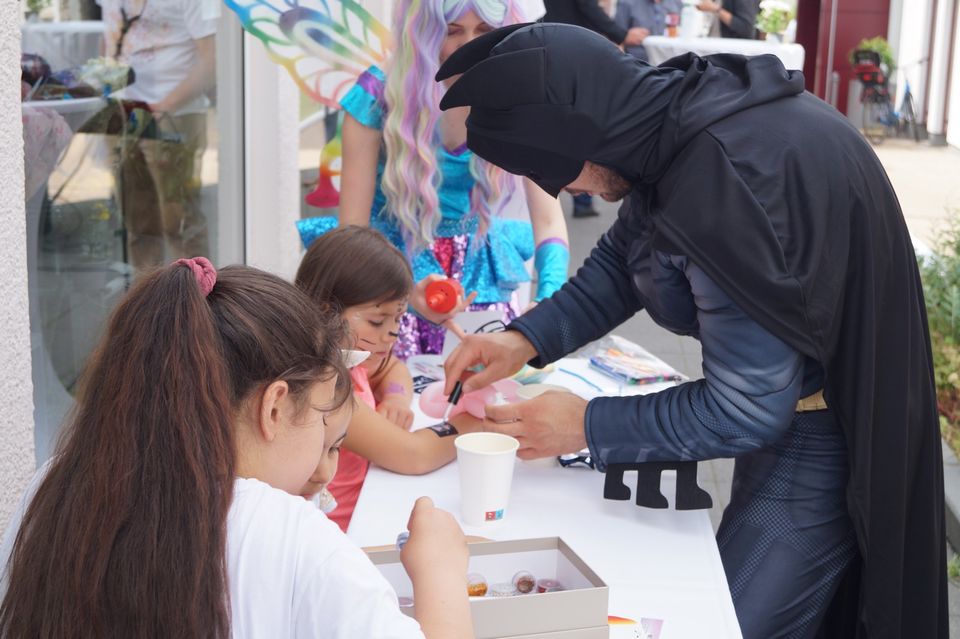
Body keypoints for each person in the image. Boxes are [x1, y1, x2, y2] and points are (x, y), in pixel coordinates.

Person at [436, 23, 947, 638]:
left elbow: (746, 409)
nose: (563, 191)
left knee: (725, 623)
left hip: (826, 436)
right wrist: (526, 338)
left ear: (586, 142)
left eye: (559, 176)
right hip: (799, 409)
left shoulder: (726, 185)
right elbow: (629, 259)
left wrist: (585, 424)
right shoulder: (670, 124)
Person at [0, 258, 472, 638]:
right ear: (274, 407)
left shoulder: (51, 489)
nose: (324, 472)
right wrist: (441, 573)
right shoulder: (295, 541)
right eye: (326, 431)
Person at [298, 0, 570, 359]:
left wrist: (547, 296)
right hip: (387, 279)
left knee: (485, 399)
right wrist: (405, 293)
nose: (468, 44)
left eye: (484, 32)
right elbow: (353, 233)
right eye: (452, 30)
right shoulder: (377, 98)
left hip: (482, 281)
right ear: (422, 32)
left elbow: (549, 219)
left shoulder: (520, 97)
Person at [295, 226, 484, 531]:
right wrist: (478, 424)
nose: (392, 333)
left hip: (371, 503)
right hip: (342, 534)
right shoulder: (323, 384)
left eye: (399, 319)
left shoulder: (351, 358)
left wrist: (396, 395)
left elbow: (392, 368)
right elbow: (414, 454)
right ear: (326, 311)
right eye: (377, 321)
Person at [98, 0, 215, 273]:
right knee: (137, 224)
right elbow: (109, 41)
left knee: (180, 221)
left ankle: (196, 301)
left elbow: (212, 60)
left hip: (175, 115)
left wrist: (162, 107)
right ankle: (147, 301)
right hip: (123, 112)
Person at [541, 0, 651, 218]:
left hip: (554, 44)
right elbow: (587, 6)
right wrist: (620, 34)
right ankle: (579, 196)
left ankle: (574, 196)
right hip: (571, 47)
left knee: (566, 125)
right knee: (580, 126)